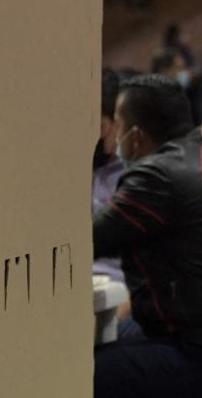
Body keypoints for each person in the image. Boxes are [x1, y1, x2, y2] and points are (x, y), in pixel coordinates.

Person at [93, 75, 202, 398]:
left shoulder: (157, 176)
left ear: (138, 135)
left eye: (118, 124)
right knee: (112, 338)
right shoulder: (200, 156)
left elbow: (87, 240)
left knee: (79, 370)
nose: (116, 135)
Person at [92, 68, 125, 281]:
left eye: (100, 125)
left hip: (119, 292)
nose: (96, 135)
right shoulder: (62, 173)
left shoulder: (134, 176)